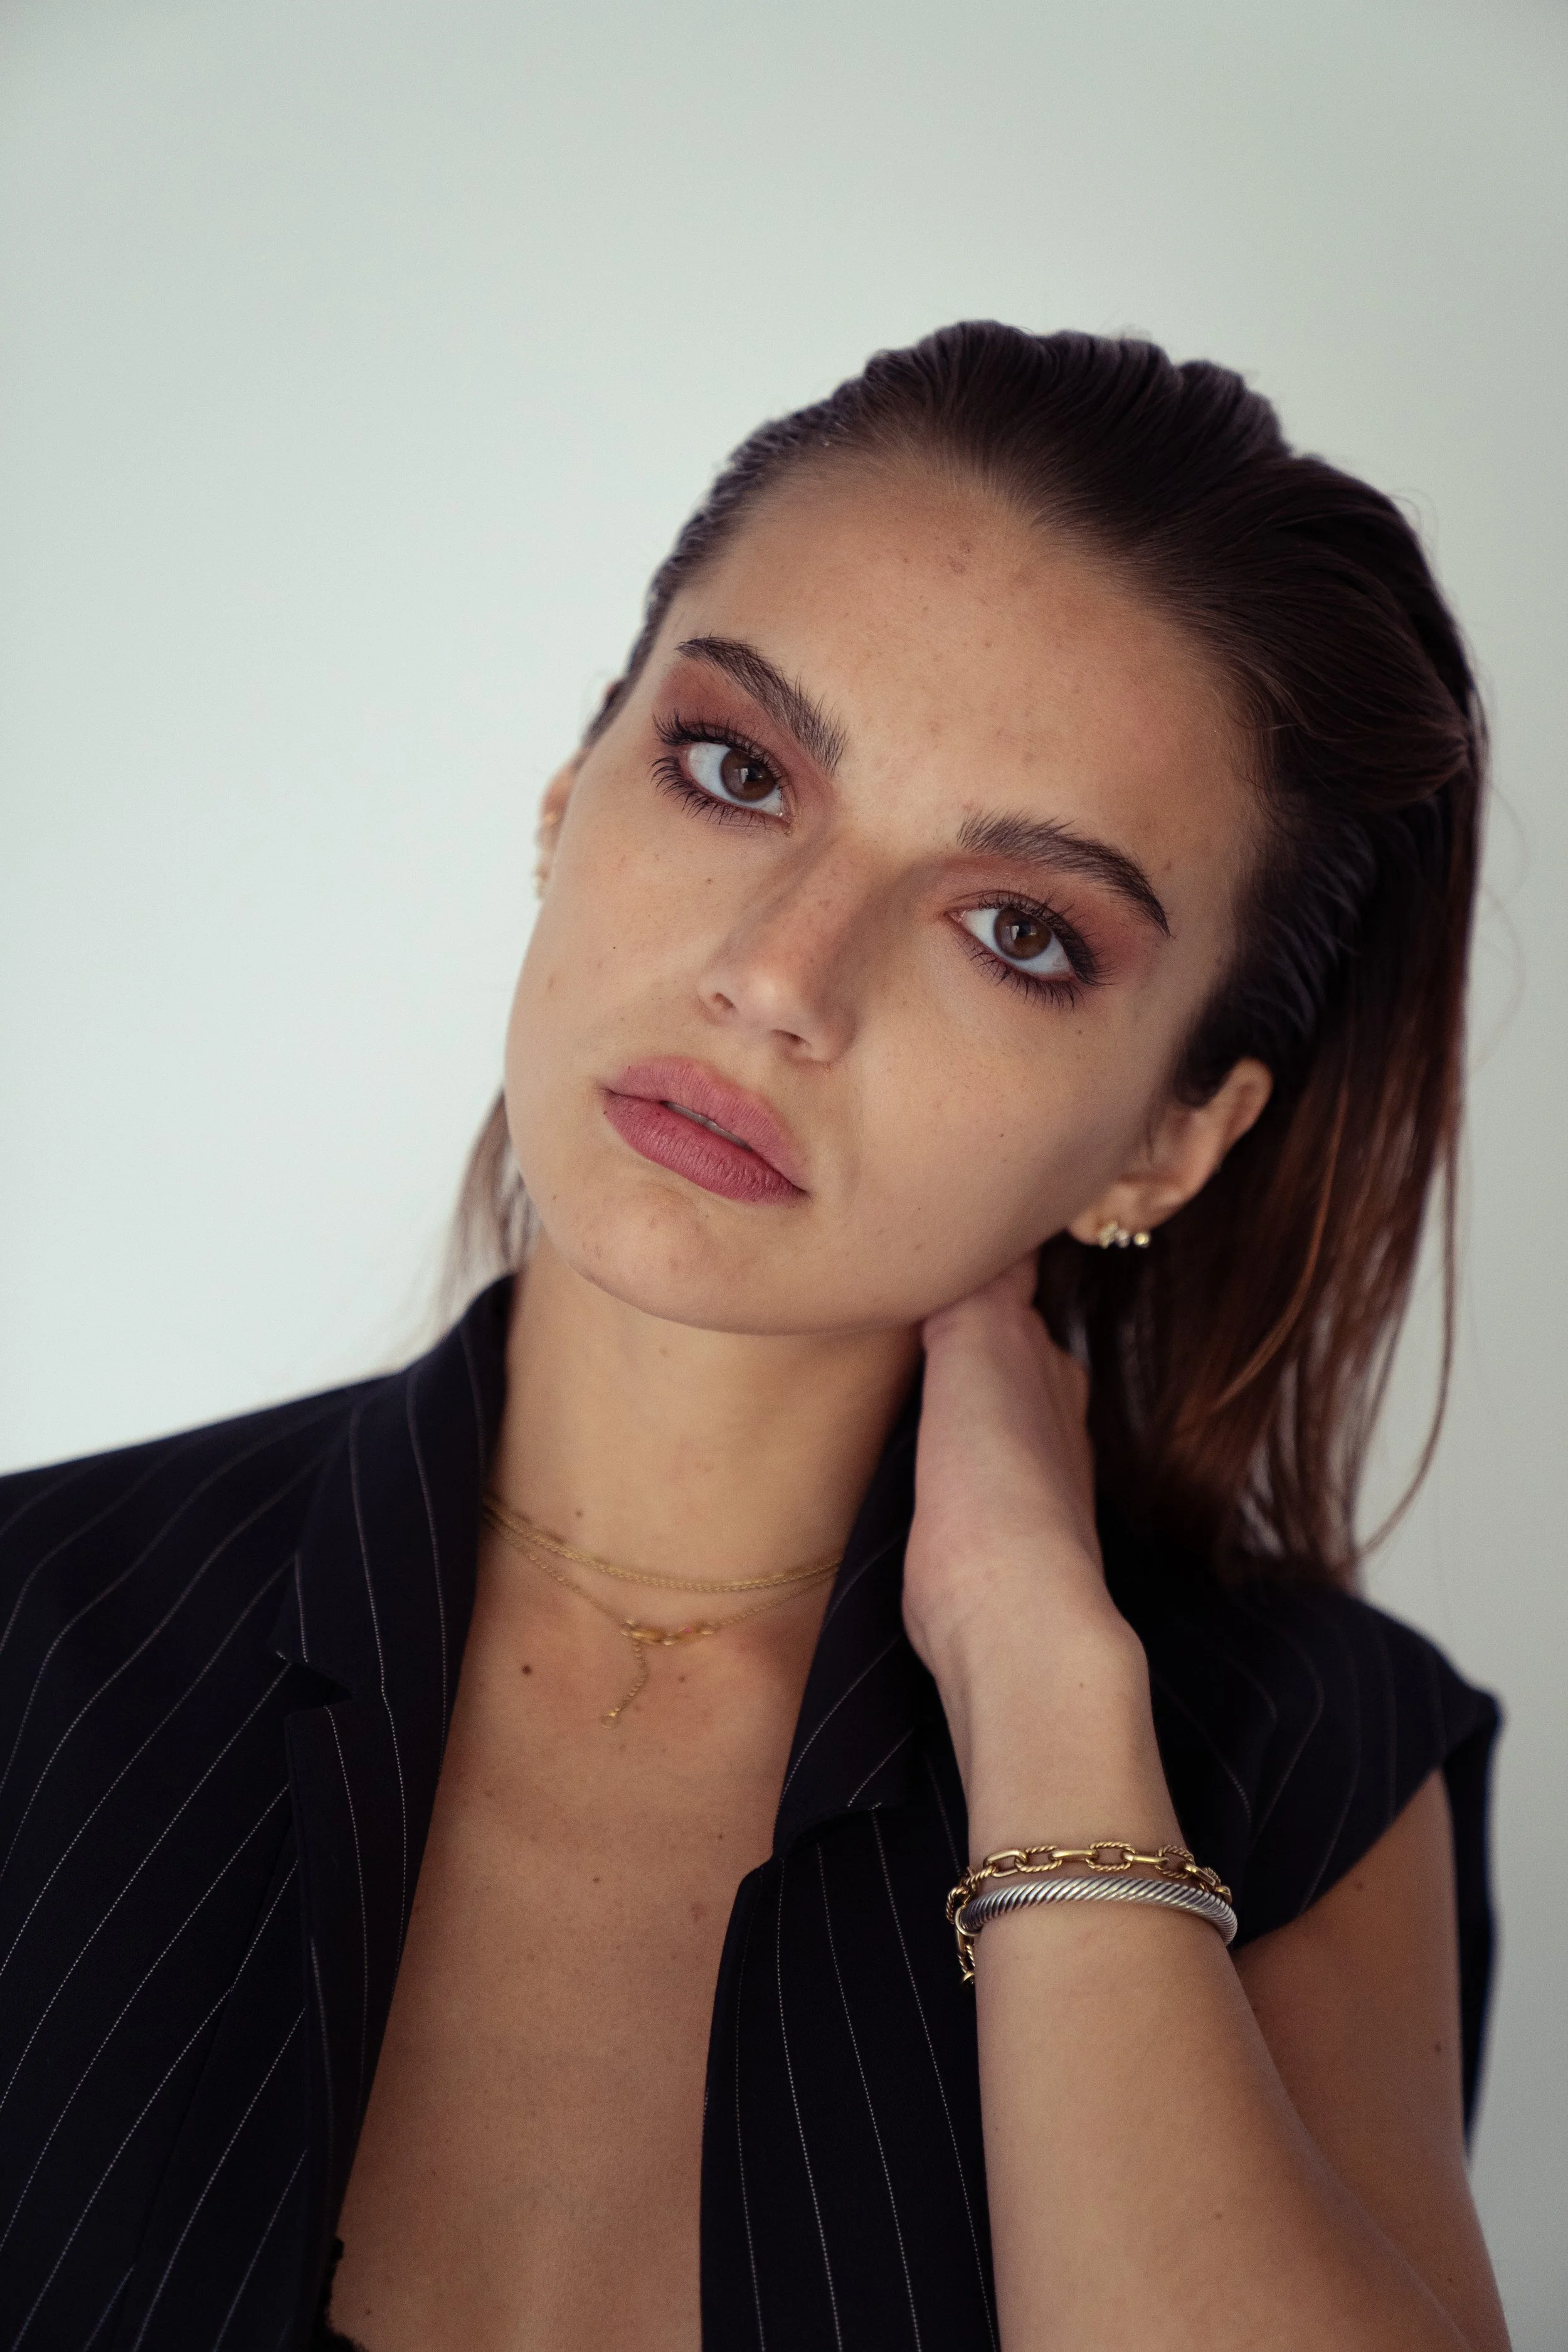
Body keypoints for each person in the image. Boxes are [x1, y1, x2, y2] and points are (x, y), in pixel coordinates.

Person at [0, 324, 1508, 2352]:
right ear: (569, 787)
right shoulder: (32, 1625)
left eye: (1018, 928)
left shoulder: (1294, 1755)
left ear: (1165, 1131)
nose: (780, 975)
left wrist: (1044, 1680)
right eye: (735, 769)